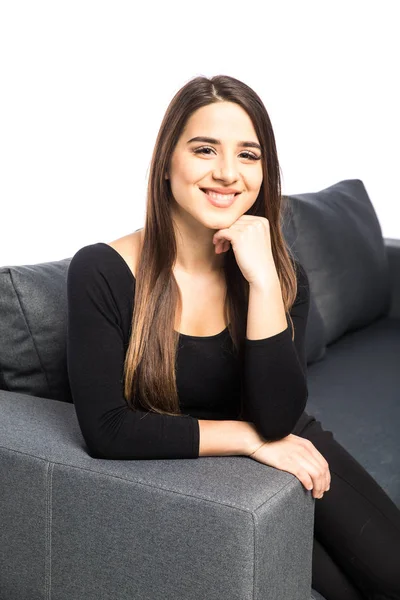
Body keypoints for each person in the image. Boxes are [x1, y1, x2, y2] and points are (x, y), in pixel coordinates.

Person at [66, 74, 400, 600]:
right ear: (166, 163)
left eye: (249, 155)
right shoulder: (102, 271)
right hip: (222, 470)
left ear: (265, 174)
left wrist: (264, 281)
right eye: (205, 149)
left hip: (291, 441)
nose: (227, 173)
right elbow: (107, 431)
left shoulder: (279, 275)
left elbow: (278, 418)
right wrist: (246, 440)